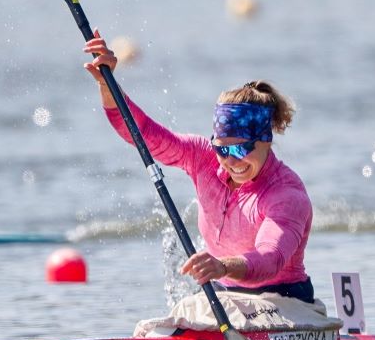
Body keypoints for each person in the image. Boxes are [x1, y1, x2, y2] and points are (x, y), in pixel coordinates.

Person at [83, 33, 315, 303]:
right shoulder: (201, 157)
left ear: (266, 140)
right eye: (222, 149)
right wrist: (107, 84)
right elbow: (142, 133)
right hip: (224, 295)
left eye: (241, 149)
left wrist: (223, 266)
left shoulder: (286, 195)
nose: (231, 161)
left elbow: (270, 257)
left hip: (285, 299)